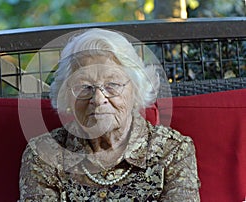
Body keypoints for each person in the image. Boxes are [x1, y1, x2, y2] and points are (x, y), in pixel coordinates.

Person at [18, 28, 200, 201]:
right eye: (84, 87)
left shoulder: (173, 151)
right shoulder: (44, 154)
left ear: (136, 90)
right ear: (66, 96)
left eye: (112, 85)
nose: (98, 99)